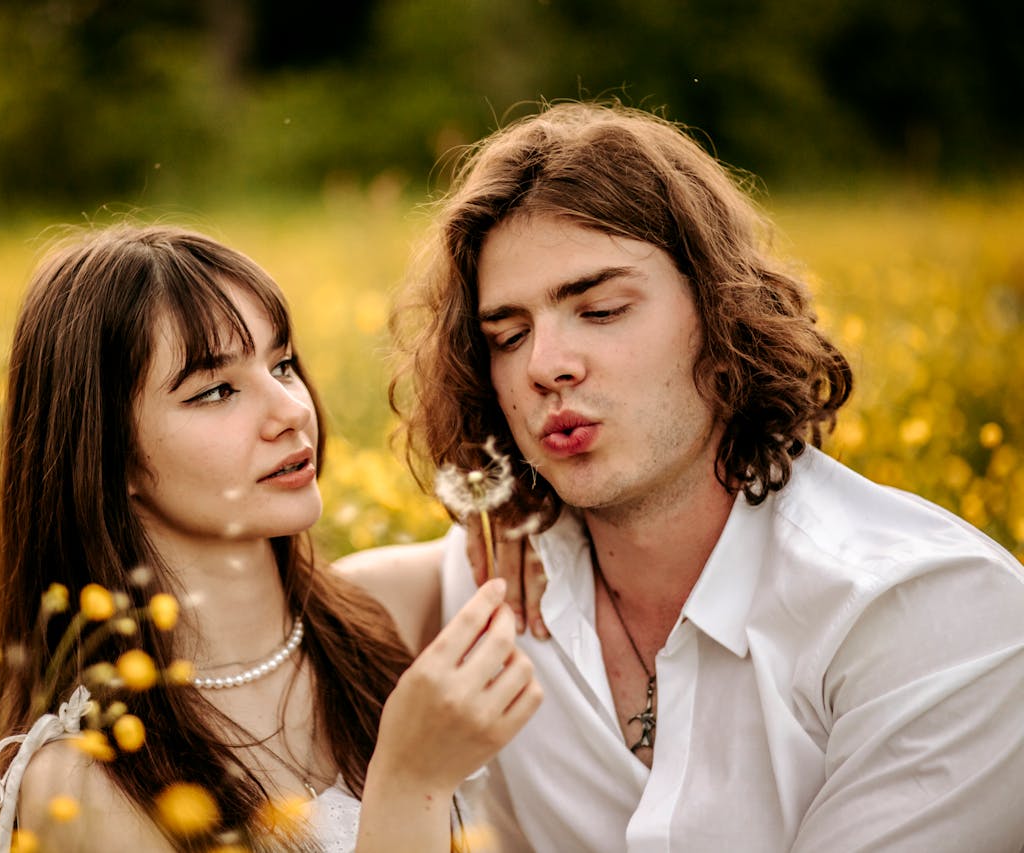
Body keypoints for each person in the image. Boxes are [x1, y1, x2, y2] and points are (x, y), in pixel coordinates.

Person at [391, 101, 1024, 851]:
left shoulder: (926, 612)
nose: (544, 365)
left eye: (600, 308)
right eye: (508, 334)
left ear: (724, 319)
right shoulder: (503, 582)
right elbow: (299, 605)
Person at [0, 224, 541, 852]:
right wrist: (411, 782)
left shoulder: (382, 611)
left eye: (282, 364)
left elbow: (582, 546)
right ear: (107, 456)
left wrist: (521, 513)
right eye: (216, 391)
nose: (291, 410)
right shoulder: (86, 779)